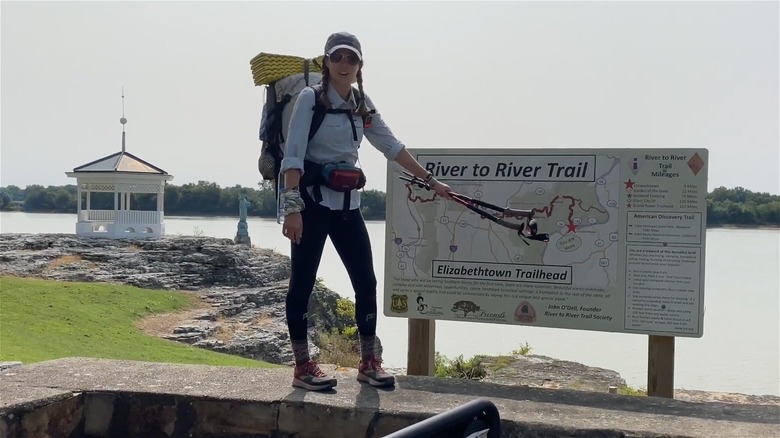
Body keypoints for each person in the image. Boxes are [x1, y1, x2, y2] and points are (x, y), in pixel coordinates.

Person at [279, 31, 452, 391]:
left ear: (360, 66)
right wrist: (292, 209)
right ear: (326, 62)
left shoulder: (361, 105)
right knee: (303, 285)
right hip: (312, 206)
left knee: (366, 282)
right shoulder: (310, 100)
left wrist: (431, 181)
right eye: (338, 57)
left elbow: (391, 145)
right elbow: (293, 157)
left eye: (352, 59)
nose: (345, 64)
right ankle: (302, 367)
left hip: (348, 206)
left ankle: (369, 362)